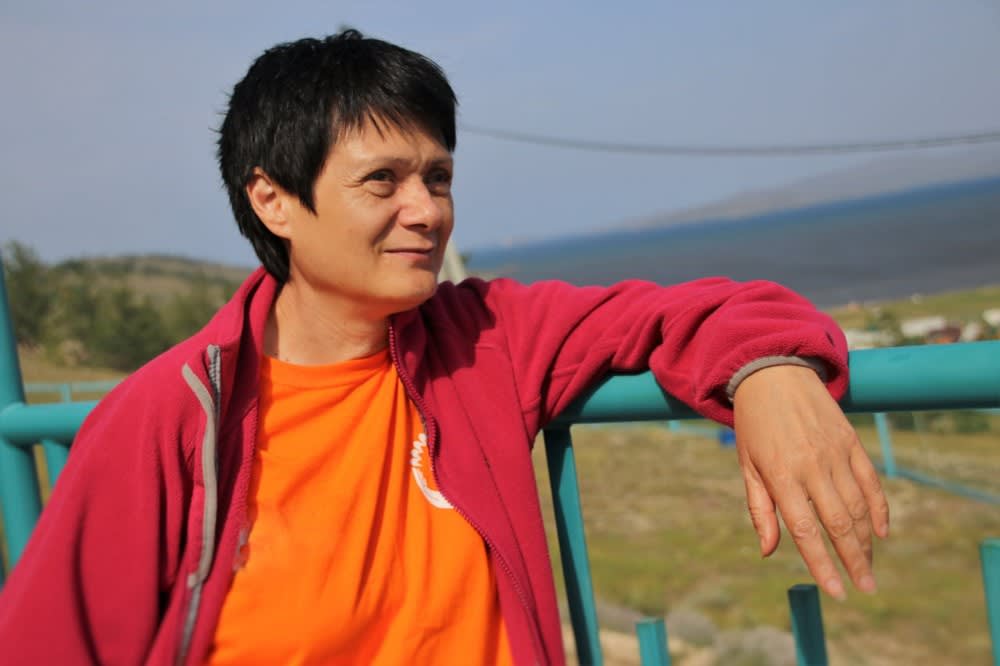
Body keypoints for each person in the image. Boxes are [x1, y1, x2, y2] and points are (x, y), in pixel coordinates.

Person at [0, 30, 888, 665]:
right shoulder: (163, 423)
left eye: (438, 176)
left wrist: (771, 372)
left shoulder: (486, 338)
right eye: (381, 180)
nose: (425, 210)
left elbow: (698, 309)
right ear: (273, 200)